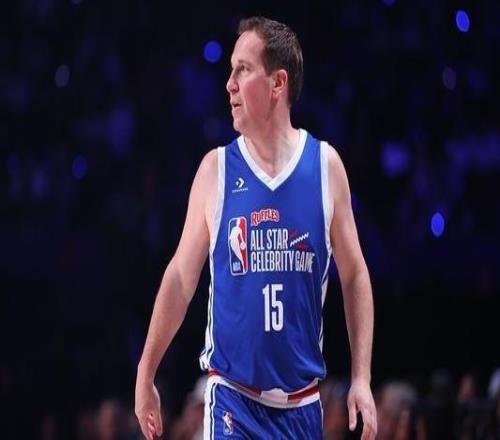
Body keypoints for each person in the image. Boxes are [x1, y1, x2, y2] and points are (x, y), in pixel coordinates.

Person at [135, 16, 377, 439]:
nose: (229, 84)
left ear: (277, 83)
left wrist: (361, 378)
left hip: (302, 406)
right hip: (234, 400)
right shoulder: (216, 170)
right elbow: (179, 278)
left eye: (243, 70)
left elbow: (355, 274)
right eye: (231, 70)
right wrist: (146, 370)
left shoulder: (325, 167)